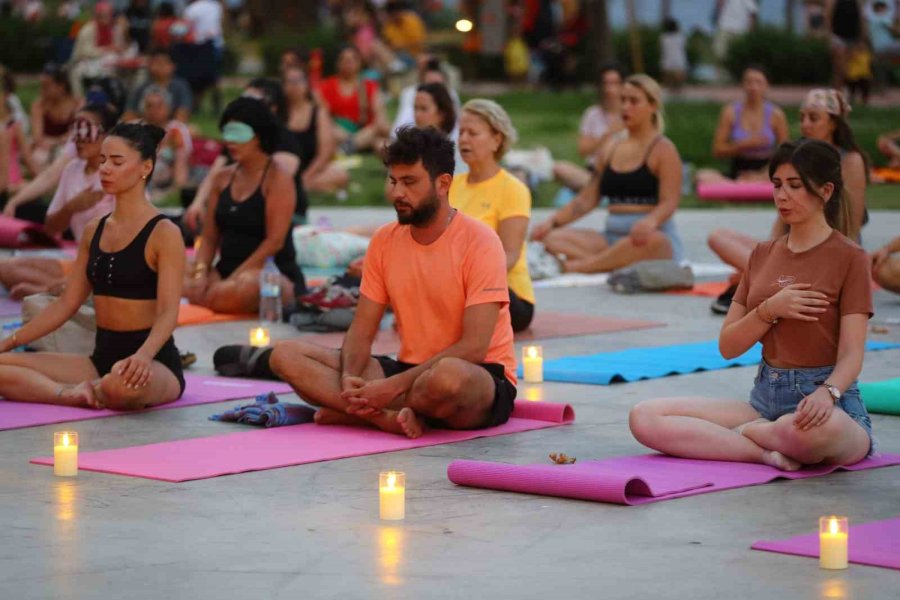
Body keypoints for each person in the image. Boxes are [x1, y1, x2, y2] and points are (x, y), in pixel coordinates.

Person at [629, 139, 875, 471]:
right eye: (776, 185)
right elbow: (728, 346)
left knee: (808, 431)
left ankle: (743, 436)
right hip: (765, 401)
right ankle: (762, 451)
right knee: (644, 417)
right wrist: (770, 309)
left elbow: (852, 354)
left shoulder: (850, 258)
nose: (782, 196)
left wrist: (827, 394)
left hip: (828, 406)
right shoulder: (761, 255)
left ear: (826, 191)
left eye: (795, 186)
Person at [268, 126, 517, 439]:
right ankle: (382, 416)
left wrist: (389, 387)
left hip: (477, 375)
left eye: (409, 182)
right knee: (285, 355)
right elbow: (361, 330)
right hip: (408, 369)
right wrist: (349, 377)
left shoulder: (481, 241)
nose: (397, 193)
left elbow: (474, 347)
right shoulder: (384, 240)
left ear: (442, 184)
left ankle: (367, 410)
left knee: (446, 378)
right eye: (393, 181)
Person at [0, 122, 186, 410]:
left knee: (117, 386)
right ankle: (70, 395)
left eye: (116, 161)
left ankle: (92, 390)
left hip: (152, 362)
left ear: (145, 167)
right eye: (102, 160)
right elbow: (66, 304)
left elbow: (168, 313)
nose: (105, 169)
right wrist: (9, 342)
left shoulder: (164, 233)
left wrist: (143, 357)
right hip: (99, 359)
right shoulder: (93, 230)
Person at [707, 88, 868, 314]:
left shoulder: (850, 161)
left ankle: (759, 280)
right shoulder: (796, 158)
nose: (805, 124)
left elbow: (852, 224)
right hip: (793, 251)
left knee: (759, 267)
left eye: (813, 118)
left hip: (828, 255)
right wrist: (767, 260)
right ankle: (765, 277)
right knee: (718, 237)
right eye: (802, 117)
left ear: (833, 123)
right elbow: (781, 222)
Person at [531, 74, 684, 274]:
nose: (625, 107)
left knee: (653, 242)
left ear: (653, 106)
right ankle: (613, 262)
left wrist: (650, 221)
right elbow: (587, 199)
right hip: (610, 239)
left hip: (649, 237)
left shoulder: (663, 149)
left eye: (634, 101)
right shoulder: (610, 147)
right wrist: (551, 222)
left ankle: (576, 266)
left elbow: (669, 202)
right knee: (551, 238)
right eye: (623, 100)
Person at [184, 97, 304, 314]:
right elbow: (210, 237)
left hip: (266, 272)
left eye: (238, 134)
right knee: (168, 270)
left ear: (259, 136)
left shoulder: (278, 179)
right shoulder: (221, 179)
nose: (230, 142)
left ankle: (213, 296)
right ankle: (210, 295)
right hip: (225, 269)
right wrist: (201, 273)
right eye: (227, 133)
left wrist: (233, 278)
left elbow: (274, 242)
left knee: (243, 287)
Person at [0, 104, 118, 300]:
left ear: (106, 135)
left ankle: (56, 290)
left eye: (86, 130)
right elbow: (50, 229)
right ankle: (57, 290)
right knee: (6, 268)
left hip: (112, 267)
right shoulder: (72, 170)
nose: (79, 139)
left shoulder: (117, 172)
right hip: (82, 263)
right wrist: (71, 207)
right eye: (75, 130)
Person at [183, 78, 309, 233]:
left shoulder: (287, 141)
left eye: (253, 102)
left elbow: (273, 186)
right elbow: (214, 175)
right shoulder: (235, 143)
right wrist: (198, 203)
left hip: (284, 219)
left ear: (273, 107)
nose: (244, 108)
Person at [451, 99, 534, 332]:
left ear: (496, 140)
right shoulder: (451, 186)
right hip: (457, 284)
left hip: (505, 292)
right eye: (461, 132)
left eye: (473, 133)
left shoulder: (513, 189)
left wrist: (463, 279)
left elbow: (510, 255)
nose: (464, 139)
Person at [696, 65, 789, 184]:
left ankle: (746, 185)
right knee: (702, 176)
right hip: (738, 170)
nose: (753, 87)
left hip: (766, 171)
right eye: (749, 82)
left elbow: (785, 154)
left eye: (758, 82)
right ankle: (741, 184)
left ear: (767, 85)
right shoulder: (730, 112)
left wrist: (760, 175)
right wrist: (744, 145)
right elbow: (717, 150)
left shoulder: (776, 114)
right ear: (742, 85)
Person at [552, 64, 624, 192]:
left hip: (622, 172)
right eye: (605, 83)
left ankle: (598, 191)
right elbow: (583, 150)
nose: (609, 89)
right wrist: (606, 135)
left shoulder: (629, 114)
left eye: (614, 83)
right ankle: (596, 190)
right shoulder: (592, 114)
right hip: (594, 173)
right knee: (559, 168)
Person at [283, 65, 349, 195]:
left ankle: (299, 187)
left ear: (306, 84)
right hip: (284, 170)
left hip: (312, 170)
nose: (295, 85)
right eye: (290, 81)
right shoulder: (278, 112)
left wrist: (306, 177)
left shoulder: (318, 112)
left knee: (340, 174)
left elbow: (325, 153)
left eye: (299, 80)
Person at [318, 46, 391, 154]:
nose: (349, 63)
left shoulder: (370, 86)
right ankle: (355, 143)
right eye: (345, 60)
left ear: (359, 62)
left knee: (380, 133)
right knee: (328, 128)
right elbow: (323, 116)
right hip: (339, 133)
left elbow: (381, 118)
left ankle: (350, 146)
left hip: (367, 132)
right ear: (337, 63)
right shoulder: (326, 86)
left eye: (353, 59)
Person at [137, 85, 191, 203]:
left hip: (165, 187)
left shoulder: (177, 130)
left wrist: (176, 190)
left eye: (159, 106)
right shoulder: (134, 129)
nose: (154, 110)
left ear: (168, 108)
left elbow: (181, 166)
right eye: (149, 106)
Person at [391, 56, 461, 137]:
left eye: (423, 109)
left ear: (442, 114)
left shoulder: (451, 95)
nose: (417, 115)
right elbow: (396, 132)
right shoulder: (411, 94)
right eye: (415, 108)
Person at [68, 1, 128, 97]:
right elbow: (85, 52)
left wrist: (120, 48)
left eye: (108, 15)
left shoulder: (115, 29)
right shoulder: (87, 30)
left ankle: (117, 97)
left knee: (119, 68)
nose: (105, 18)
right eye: (102, 15)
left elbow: (119, 47)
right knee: (76, 72)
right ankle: (79, 99)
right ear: (96, 16)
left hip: (109, 61)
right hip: (85, 61)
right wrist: (106, 49)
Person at [29, 63, 81, 172]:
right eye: (42, 86)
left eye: (46, 86)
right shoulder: (39, 105)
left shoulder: (78, 103)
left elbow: (77, 133)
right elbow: (37, 137)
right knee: (38, 157)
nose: (42, 90)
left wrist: (54, 141)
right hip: (45, 149)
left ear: (61, 87)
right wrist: (60, 141)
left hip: (67, 147)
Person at [123, 48, 193, 123]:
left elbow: (182, 115)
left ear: (173, 66)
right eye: (155, 62)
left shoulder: (180, 87)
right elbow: (129, 115)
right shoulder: (140, 87)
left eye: (163, 63)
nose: (159, 67)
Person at [0, 68, 37, 200]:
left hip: (11, 184)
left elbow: (27, 157)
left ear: (6, 95)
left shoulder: (13, 125)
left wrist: (39, 183)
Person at [827, 0, 864, 88]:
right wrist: (829, 37)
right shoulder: (833, 2)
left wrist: (861, 39)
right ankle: (836, 93)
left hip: (853, 38)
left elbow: (861, 19)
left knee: (850, 70)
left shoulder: (857, 2)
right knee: (840, 69)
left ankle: (842, 93)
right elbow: (828, 18)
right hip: (838, 37)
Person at [382, 0, 427, 64]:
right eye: (393, 12)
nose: (396, 14)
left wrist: (400, 46)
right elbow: (391, 46)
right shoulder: (387, 27)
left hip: (418, 54)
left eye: (397, 10)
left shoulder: (412, 20)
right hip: (400, 56)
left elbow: (418, 42)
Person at [660, 18, 688, 93]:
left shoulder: (664, 37)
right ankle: (677, 90)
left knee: (669, 77)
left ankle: (671, 90)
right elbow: (683, 47)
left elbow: (662, 49)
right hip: (678, 57)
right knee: (678, 77)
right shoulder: (680, 37)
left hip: (668, 58)